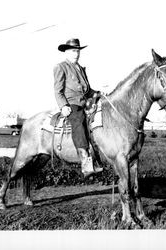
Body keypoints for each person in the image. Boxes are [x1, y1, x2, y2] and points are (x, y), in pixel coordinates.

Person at [53, 38, 102, 177]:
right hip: (72, 104)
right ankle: (85, 163)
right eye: (74, 51)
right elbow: (58, 90)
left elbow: (88, 90)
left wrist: (98, 93)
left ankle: (98, 159)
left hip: (84, 103)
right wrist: (63, 106)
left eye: (78, 51)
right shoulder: (61, 67)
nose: (77, 54)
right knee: (79, 120)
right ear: (67, 52)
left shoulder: (80, 68)